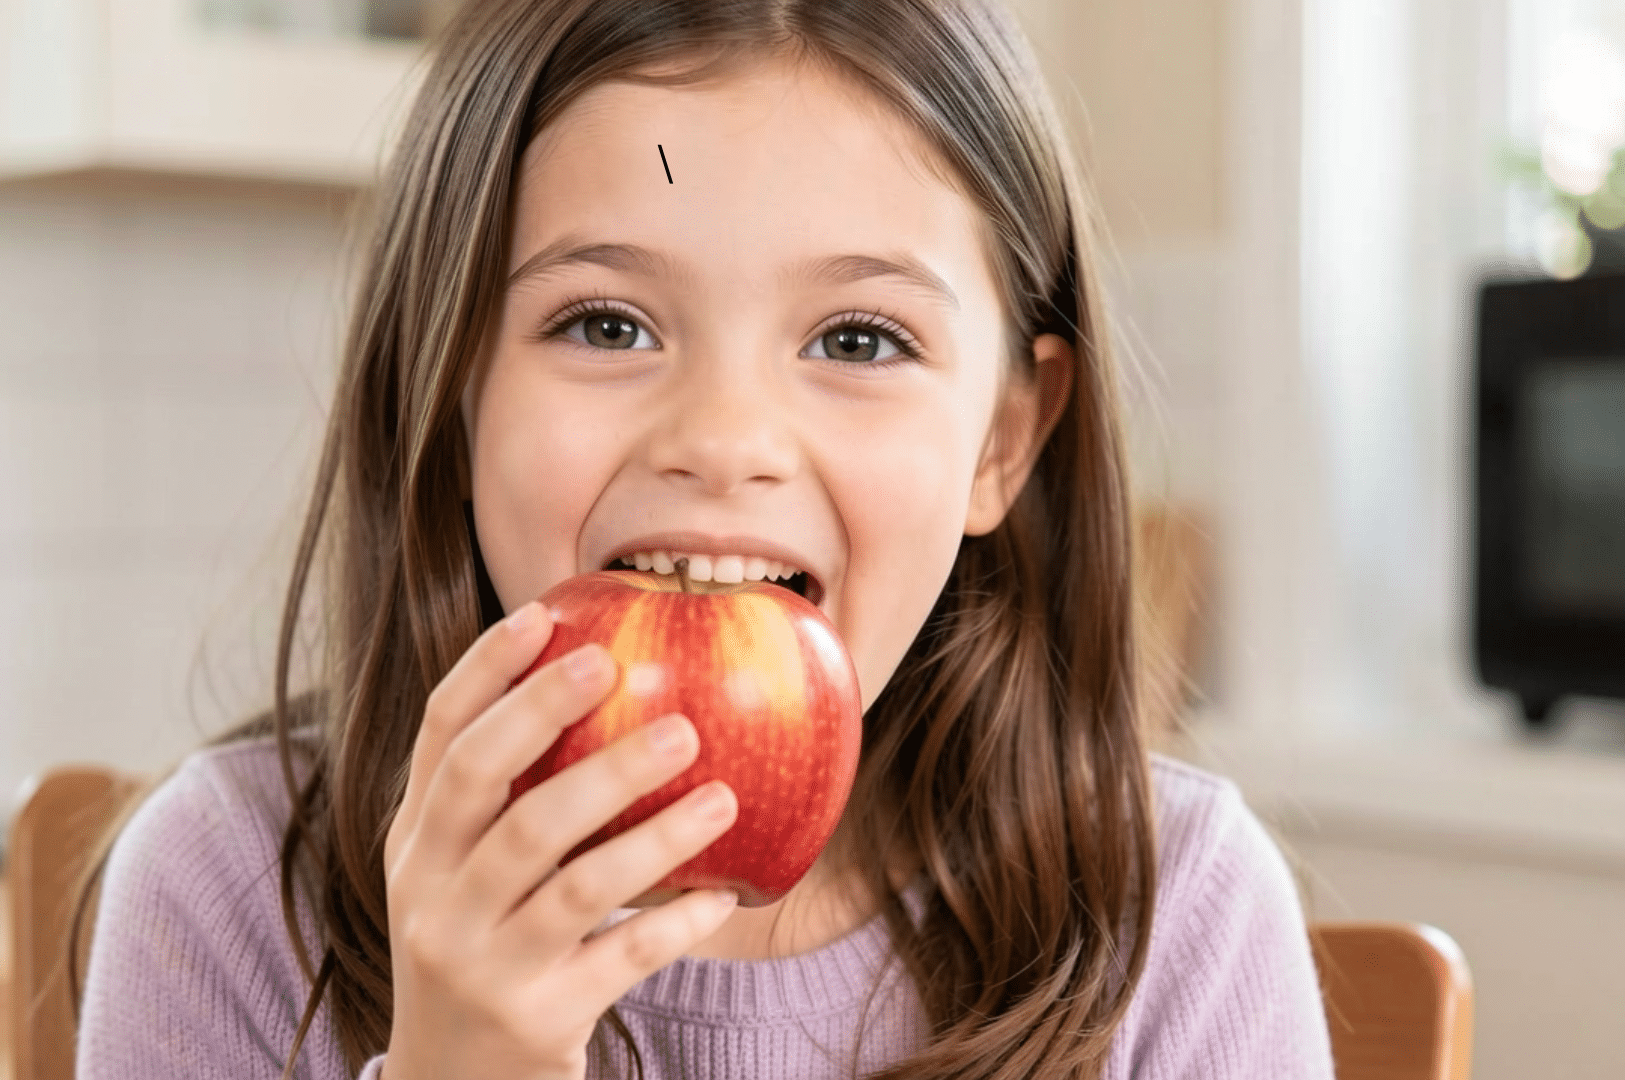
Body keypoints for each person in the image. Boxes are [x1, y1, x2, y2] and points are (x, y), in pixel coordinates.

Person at [73, 1, 1336, 1077]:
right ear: (449, 391)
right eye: (608, 324)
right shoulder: (233, 890)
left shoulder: (1176, 920)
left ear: (1004, 442)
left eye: (858, 340)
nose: (725, 438)